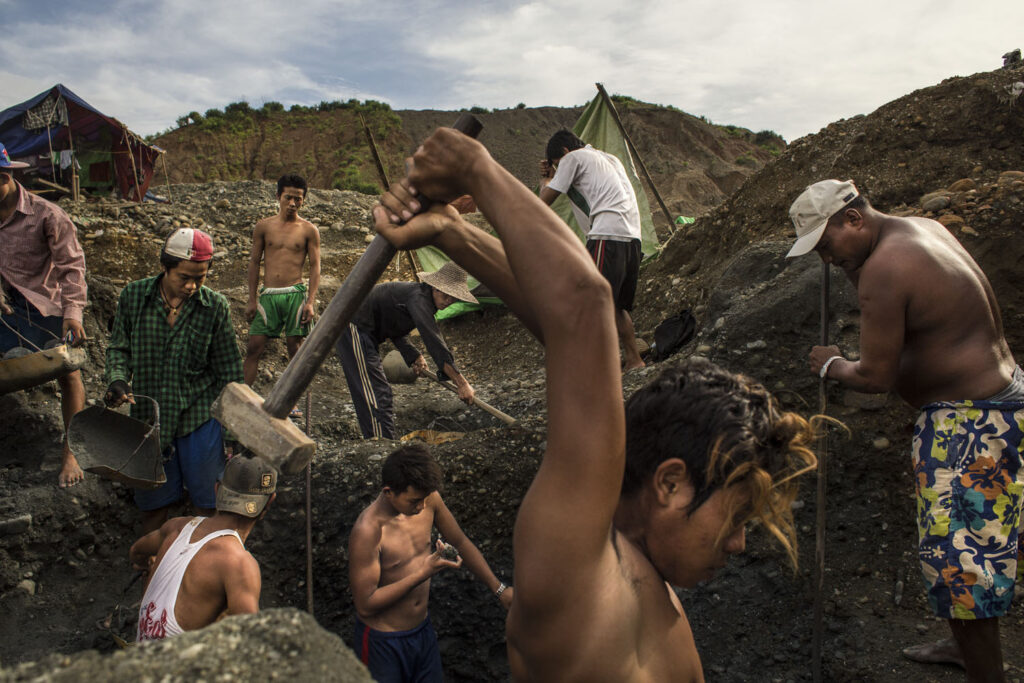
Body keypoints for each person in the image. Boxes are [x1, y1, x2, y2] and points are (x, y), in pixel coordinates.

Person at [373, 127, 817, 681]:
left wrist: (453, 231)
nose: (738, 543)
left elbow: (577, 337)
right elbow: (584, 307)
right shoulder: (578, 578)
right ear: (670, 483)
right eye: (735, 516)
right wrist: (474, 168)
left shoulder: (640, 579)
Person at [789, 179, 1023, 681]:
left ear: (854, 219)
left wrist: (832, 364)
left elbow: (875, 376)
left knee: (963, 565)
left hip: (968, 426)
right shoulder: (920, 230)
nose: (826, 260)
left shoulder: (885, 268)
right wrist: (850, 264)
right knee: (965, 554)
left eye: (826, 245)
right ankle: (965, 647)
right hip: (1000, 403)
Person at [105, 228, 243, 534]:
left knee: (208, 505)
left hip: (198, 417)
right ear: (164, 267)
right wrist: (117, 379)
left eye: (200, 278)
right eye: (184, 277)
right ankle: (153, 559)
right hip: (150, 420)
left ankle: (202, 560)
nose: (192, 286)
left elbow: (230, 373)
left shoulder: (214, 307)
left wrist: (233, 431)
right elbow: (119, 348)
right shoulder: (134, 297)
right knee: (154, 508)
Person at [348, 443, 512, 682]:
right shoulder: (369, 531)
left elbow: (460, 541)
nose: (421, 507)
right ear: (388, 492)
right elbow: (365, 604)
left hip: (422, 634)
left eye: (424, 499)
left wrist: (499, 589)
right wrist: (423, 572)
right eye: (414, 501)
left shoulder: (429, 500)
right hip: (382, 643)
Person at [0, 141, 87, 487]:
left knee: (68, 371)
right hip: (6, 310)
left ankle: (72, 451)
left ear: (5, 177)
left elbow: (72, 267)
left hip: (46, 306)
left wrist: (73, 313)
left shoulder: (47, 215)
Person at [131, 453, 276, 642]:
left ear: (217, 490)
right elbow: (252, 640)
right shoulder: (238, 563)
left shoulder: (175, 527)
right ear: (270, 501)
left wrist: (147, 565)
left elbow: (136, 551)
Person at [539, 129, 645, 371]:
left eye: (557, 163)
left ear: (564, 151)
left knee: (591, 302)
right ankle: (634, 359)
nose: (559, 168)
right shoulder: (609, 159)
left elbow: (543, 201)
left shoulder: (572, 158)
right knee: (616, 306)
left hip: (607, 234)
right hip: (632, 237)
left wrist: (545, 179)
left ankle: (598, 370)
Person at [335, 261, 477, 439]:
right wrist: (461, 383)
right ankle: (381, 444)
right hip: (353, 326)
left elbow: (394, 329)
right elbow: (434, 342)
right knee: (375, 393)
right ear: (436, 288)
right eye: (446, 295)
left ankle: (382, 441)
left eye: (454, 298)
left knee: (378, 393)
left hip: (365, 332)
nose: (449, 301)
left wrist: (413, 356)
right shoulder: (419, 299)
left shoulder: (418, 297)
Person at [243, 175, 321, 411]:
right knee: (254, 346)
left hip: (295, 294)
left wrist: (310, 302)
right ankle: (243, 398)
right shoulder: (264, 227)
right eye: (288, 197)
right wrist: (252, 299)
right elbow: (254, 262)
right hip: (268, 295)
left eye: (298, 199)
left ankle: (291, 402)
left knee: (294, 348)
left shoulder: (309, 230)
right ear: (278, 196)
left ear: (303, 200)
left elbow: (315, 266)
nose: (293, 203)